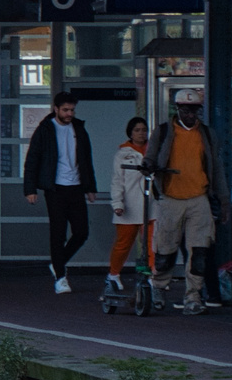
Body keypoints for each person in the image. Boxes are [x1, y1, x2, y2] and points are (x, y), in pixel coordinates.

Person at [145, 87, 231, 315]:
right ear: (177, 109)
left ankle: (193, 296)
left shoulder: (207, 135)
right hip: (170, 197)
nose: (190, 115)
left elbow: (217, 169)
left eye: (194, 110)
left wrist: (223, 201)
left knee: (200, 251)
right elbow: (149, 158)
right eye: (186, 110)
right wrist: (149, 167)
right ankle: (158, 286)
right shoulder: (163, 132)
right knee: (165, 249)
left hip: (199, 198)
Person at [23, 91, 96, 294]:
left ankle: (57, 263)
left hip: (76, 187)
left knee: (81, 232)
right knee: (58, 233)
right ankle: (61, 277)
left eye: (72, 110)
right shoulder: (45, 130)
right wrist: (30, 189)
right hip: (55, 188)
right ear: (56, 109)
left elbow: (86, 160)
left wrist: (90, 187)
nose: (69, 113)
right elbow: (32, 160)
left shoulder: (79, 129)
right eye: (65, 110)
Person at [106, 117, 152, 292]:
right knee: (124, 243)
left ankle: (151, 276)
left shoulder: (153, 151)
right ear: (130, 133)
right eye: (137, 130)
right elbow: (117, 181)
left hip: (151, 204)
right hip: (129, 204)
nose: (141, 133)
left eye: (144, 130)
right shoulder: (123, 154)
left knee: (151, 243)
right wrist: (117, 202)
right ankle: (113, 274)